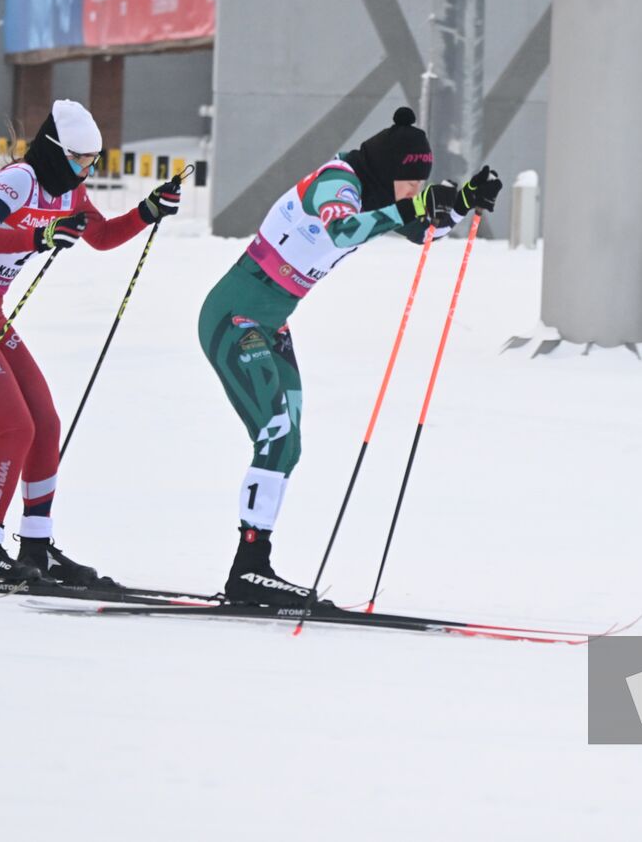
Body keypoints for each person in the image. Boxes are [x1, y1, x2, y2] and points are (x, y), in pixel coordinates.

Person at [198, 107, 501, 606]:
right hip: (234, 318)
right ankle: (248, 571)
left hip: (270, 324)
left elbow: (423, 229)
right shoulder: (338, 183)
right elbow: (343, 230)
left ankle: (253, 567)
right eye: (408, 181)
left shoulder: (377, 191)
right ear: (387, 170)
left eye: (417, 183)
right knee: (275, 434)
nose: (410, 191)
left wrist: (461, 200)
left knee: (288, 445)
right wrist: (416, 205)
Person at [0, 99, 183, 583]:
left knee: (45, 422)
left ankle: (36, 547)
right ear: (51, 150)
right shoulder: (19, 180)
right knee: (15, 428)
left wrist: (148, 211)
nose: (86, 169)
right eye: (78, 159)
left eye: (92, 161)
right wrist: (40, 237)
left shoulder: (70, 192)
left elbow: (101, 237)